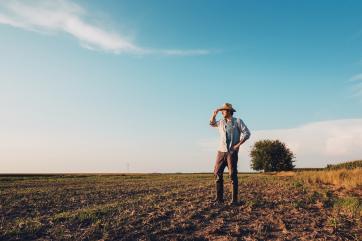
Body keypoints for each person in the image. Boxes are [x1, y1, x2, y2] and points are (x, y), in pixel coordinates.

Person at [209, 103, 251, 205]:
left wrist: (238, 145)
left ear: (229, 111)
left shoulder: (237, 121)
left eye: (223, 110)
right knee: (217, 173)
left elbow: (247, 133)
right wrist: (214, 114)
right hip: (221, 151)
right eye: (222, 110)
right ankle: (219, 199)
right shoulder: (221, 122)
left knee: (232, 175)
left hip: (231, 152)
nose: (222, 112)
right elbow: (211, 123)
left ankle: (234, 200)